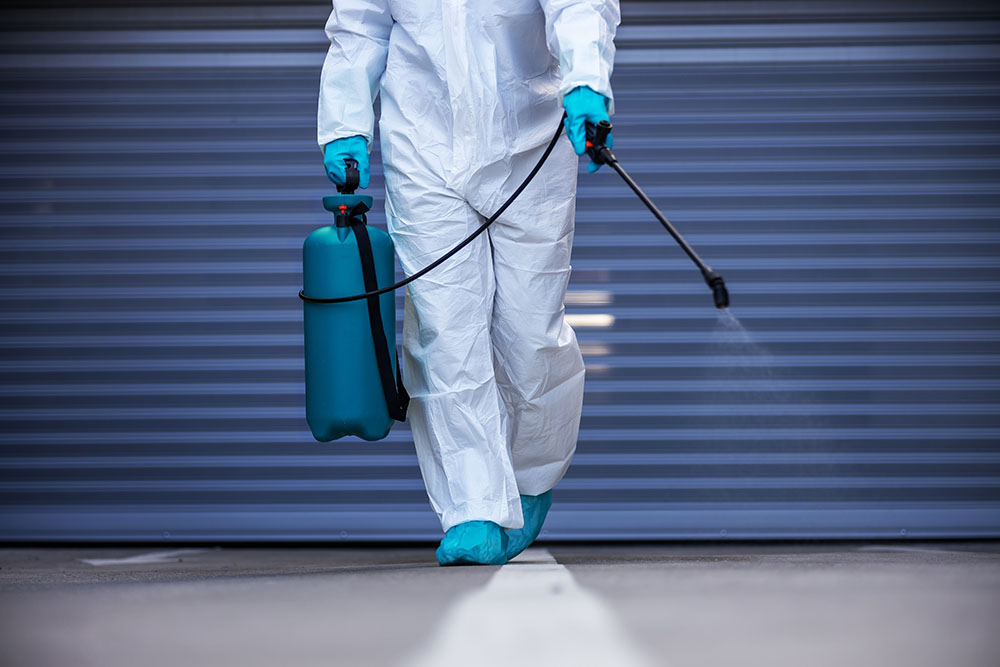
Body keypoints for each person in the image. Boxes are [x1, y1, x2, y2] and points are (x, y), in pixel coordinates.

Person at [318, 0, 619, 565]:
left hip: (531, 137)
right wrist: (344, 124)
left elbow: (580, 5)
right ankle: (474, 506)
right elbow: (360, 26)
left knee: (531, 333)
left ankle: (529, 480)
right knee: (444, 332)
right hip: (424, 143)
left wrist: (585, 78)